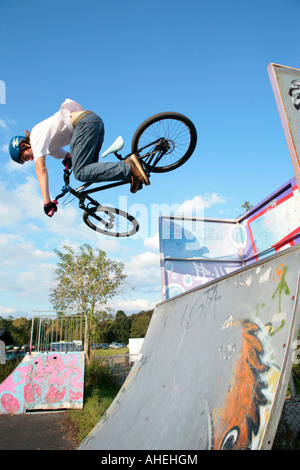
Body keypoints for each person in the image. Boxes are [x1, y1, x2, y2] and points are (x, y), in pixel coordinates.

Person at [8, 99, 150, 217]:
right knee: (90, 173)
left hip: (84, 124)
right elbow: (66, 155)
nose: (30, 159)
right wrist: (68, 161)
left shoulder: (36, 137)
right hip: (93, 122)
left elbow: (41, 169)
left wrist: (46, 202)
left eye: (25, 157)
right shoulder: (49, 148)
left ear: (24, 145)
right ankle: (132, 175)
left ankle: (129, 168)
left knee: (81, 172)